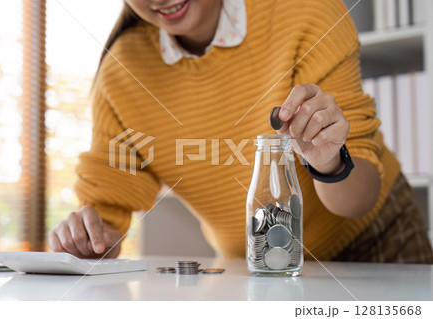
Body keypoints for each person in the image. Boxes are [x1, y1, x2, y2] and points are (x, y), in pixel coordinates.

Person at [49, 0, 433, 263]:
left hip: (376, 241)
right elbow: (107, 212)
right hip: (258, 266)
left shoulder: (307, 13)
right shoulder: (121, 73)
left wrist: (328, 161)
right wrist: (89, 235)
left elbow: (354, 202)